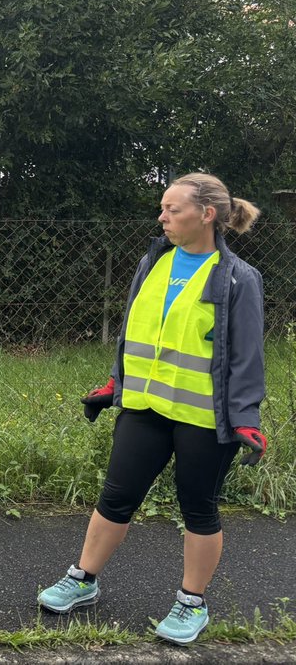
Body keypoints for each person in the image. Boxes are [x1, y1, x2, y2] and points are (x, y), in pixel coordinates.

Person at [37, 173, 266, 646]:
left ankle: (191, 603)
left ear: (206, 215)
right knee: (115, 496)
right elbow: (136, 333)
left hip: (204, 417)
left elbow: (247, 355)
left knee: (198, 507)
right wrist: (116, 384)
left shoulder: (238, 277)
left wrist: (246, 417)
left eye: (172, 210)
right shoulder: (153, 262)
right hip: (144, 407)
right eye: (162, 209)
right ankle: (84, 579)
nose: (162, 218)